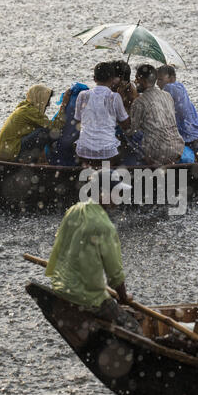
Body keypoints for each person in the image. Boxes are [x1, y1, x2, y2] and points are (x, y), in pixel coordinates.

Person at [45, 168, 142, 334]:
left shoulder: (74, 210)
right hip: (86, 297)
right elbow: (115, 274)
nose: (120, 197)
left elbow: (59, 247)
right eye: (117, 192)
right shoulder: (104, 226)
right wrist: (124, 299)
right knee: (134, 328)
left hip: (60, 287)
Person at [123, 64, 184, 165]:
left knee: (127, 136)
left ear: (142, 80)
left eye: (136, 79)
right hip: (178, 148)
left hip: (158, 152)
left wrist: (124, 109)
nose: (135, 82)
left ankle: (142, 165)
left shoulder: (139, 102)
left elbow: (131, 131)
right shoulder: (167, 96)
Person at [0, 84, 70, 163]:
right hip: (10, 153)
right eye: (47, 100)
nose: (48, 104)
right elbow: (55, 127)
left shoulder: (25, 107)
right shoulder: (29, 111)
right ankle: (31, 164)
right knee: (44, 132)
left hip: (5, 152)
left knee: (45, 132)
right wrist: (64, 105)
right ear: (39, 98)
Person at [74, 62, 129, 167]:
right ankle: (111, 175)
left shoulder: (82, 95)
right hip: (108, 154)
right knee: (124, 146)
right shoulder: (115, 97)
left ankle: (90, 174)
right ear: (112, 79)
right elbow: (126, 124)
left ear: (94, 78)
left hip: (84, 151)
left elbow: (77, 121)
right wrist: (123, 101)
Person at [157, 65, 198, 160]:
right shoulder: (180, 86)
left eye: (160, 80)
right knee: (196, 154)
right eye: (157, 80)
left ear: (172, 78)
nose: (157, 83)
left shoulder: (169, 88)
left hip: (187, 136)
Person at [46, 82, 89, 166]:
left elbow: (52, 130)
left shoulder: (66, 106)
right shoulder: (87, 106)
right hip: (78, 155)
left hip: (57, 155)